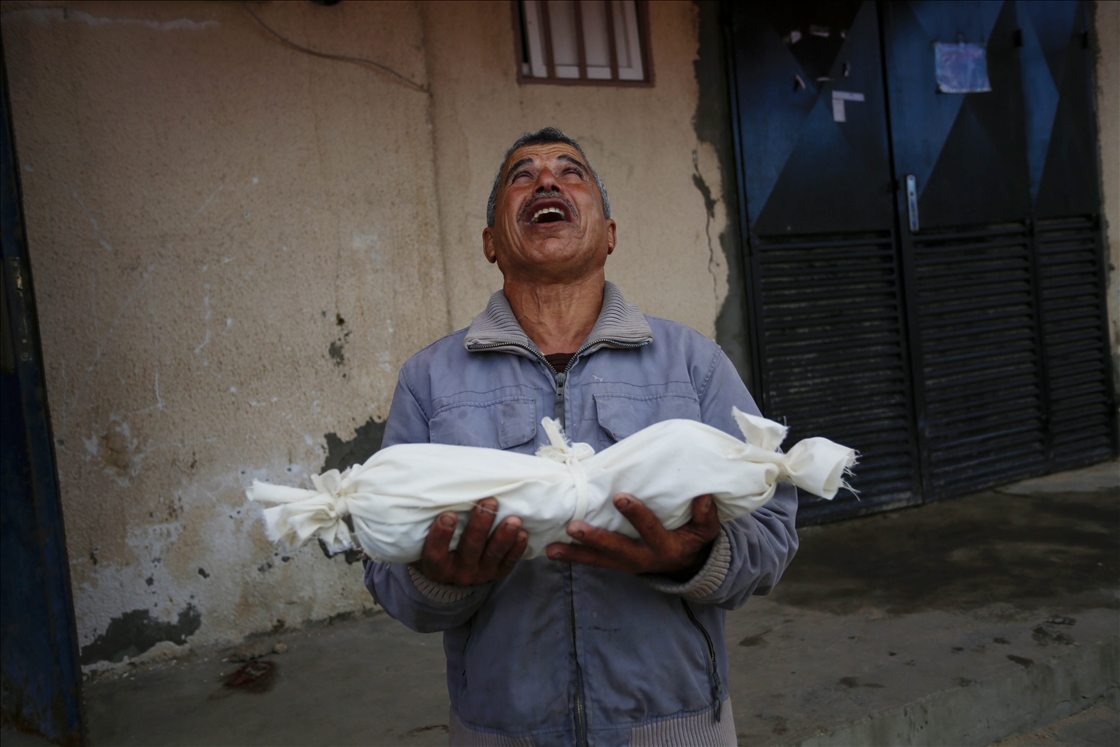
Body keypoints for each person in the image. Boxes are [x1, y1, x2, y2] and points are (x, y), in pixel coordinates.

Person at [364, 127, 798, 745]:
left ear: (610, 233)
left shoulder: (692, 362)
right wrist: (438, 579)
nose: (546, 180)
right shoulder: (429, 379)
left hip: (674, 729)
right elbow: (384, 568)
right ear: (491, 242)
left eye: (571, 172)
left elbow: (774, 530)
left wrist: (697, 557)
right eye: (522, 176)